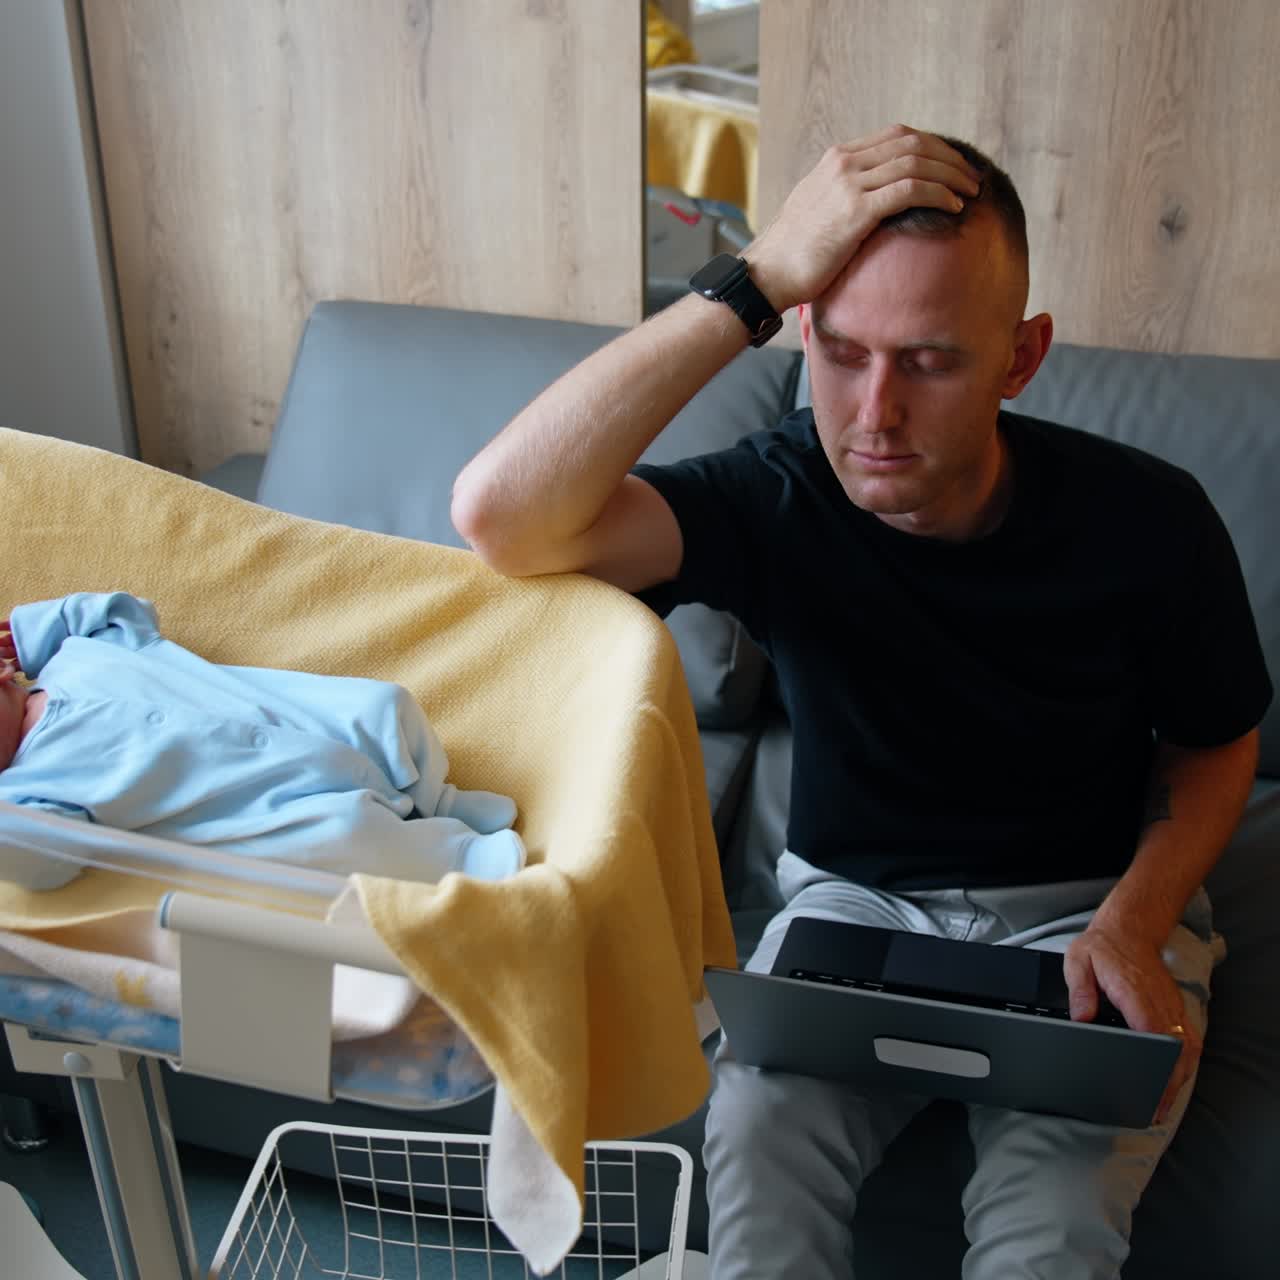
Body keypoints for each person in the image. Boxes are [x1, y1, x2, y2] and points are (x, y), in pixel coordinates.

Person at [449, 124, 1272, 1277]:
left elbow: (1215, 742)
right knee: (751, 1187)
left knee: (1047, 1241)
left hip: (1083, 919)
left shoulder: (1148, 519)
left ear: (1018, 357)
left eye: (928, 361)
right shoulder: (778, 490)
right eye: (838, 351)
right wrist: (753, 278)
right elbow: (499, 516)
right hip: (853, 914)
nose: (871, 412)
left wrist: (1134, 920)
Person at [0, 591, 524, 892]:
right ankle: (458, 859)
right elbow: (43, 861)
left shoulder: (75, 653)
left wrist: (33, 630)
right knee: (344, 834)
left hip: (289, 716)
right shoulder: (30, 793)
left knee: (383, 708)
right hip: (255, 800)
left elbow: (124, 610)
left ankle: (438, 800)